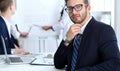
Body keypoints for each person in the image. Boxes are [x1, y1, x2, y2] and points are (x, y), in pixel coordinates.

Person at [54, 0, 120, 71]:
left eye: (78, 7)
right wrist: (67, 40)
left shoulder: (104, 30)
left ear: (88, 8)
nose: (73, 12)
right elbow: (58, 64)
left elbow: (115, 64)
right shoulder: (71, 31)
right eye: (70, 8)